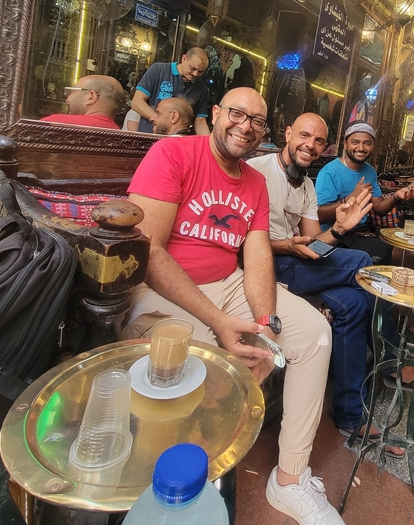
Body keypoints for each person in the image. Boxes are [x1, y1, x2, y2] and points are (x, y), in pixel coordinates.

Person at [122, 88, 344, 524]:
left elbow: (257, 256)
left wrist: (266, 326)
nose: (245, 126)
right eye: (237, 115)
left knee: (316, 334)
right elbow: (147, 250)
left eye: (256, 121)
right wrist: (220, 321)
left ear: (265, 131)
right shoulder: (174, 154)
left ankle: (290, 479)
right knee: (210, 360)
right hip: (162, 289)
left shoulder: (256, 182)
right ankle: (181, 494)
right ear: (217, 113)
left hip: (229, 283)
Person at [248, 115, 414, 452]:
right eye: (304, 136)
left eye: (319, 141)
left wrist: (339, 230)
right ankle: (396, 355)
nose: (311, 145)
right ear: (288, 133)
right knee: (363, 261)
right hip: (266, 265)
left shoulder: (306, 187)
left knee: (354, 304)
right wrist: (286, 245)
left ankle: (350, 416)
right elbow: (246, 240)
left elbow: (312, 247)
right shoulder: (258, 171)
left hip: (296, 264)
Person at [315, 123, 414, 265]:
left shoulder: (369, 171)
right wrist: (351, 198)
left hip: (359, 232)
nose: (361, 148)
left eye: (367, 143)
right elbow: (320, 215)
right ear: (345, 144)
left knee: (399, 254)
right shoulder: (329, 172)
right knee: (379, 252)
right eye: (355, 142)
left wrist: (396, 196)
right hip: (334, 235)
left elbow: (379, 208)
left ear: (373, 146)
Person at [131, 47, 211, 135]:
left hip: (177, 142)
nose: (195, 74)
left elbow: (200, 122)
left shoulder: (202, 89)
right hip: (149, 135)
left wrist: (207, 143)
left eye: (200, 72)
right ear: (184, 58)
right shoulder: (158, 70)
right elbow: (137, 102)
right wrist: (158, 119)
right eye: (193, 68)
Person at [40, 75, 125, 129]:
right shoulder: (125, 140)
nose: (67, 99)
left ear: (91, 97)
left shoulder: (53, 124)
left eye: (72, 92)